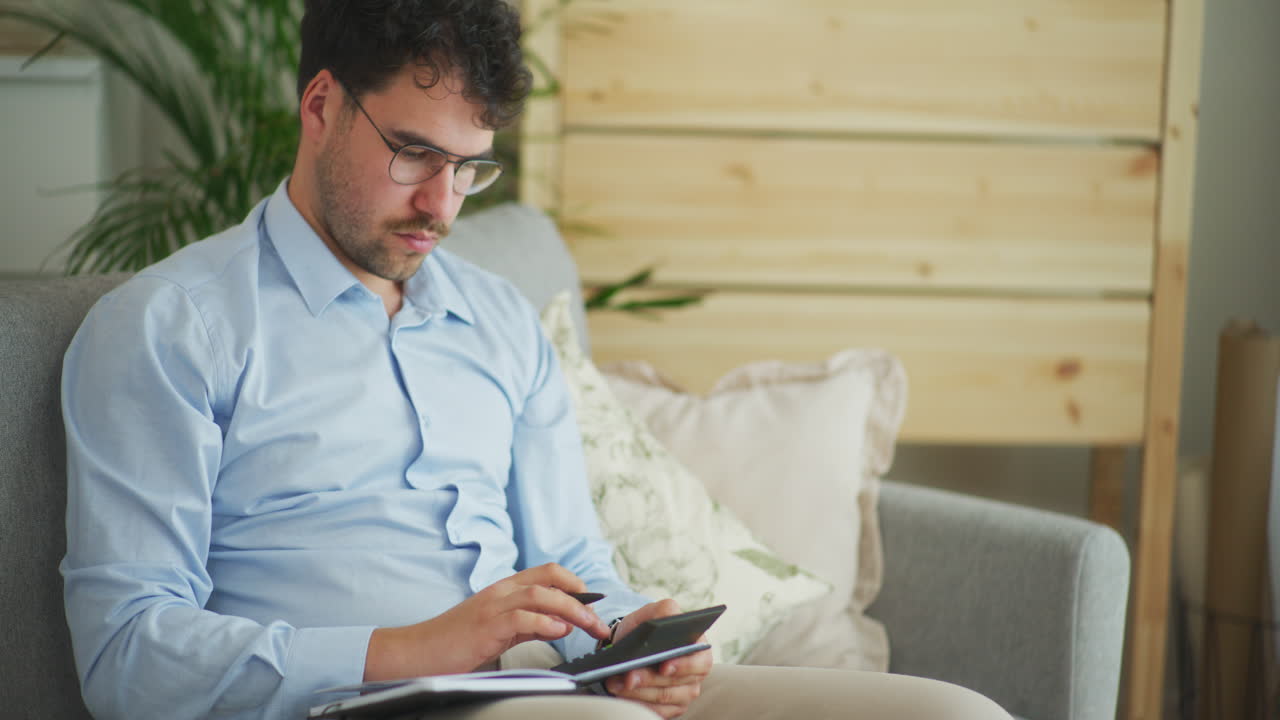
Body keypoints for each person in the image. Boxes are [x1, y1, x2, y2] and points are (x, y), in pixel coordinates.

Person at [60, 2, 1013, 719]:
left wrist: (632, 638)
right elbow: (128, 656)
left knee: (954, 715)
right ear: (320, 105)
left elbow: (575, 564)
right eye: (413, 155)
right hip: (357, 704)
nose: (443, 203)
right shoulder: (170, 327)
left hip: (555, 695)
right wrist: (416, 647)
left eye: (471, 166)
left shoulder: (501, 322)